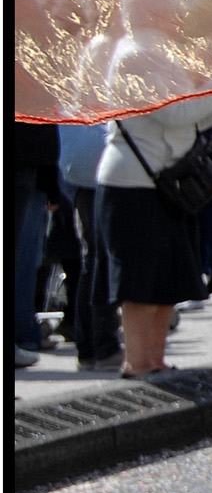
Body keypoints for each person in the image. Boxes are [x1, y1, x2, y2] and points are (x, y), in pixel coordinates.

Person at [95, 0, 212, 376]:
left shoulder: (157, 51)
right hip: (135, 184)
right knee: (140, 282)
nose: (182, 16)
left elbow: (193, 120)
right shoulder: (137, 55)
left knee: (168, 279)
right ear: (154, 13)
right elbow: (173, 112)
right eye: (176, 8)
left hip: (160, 184)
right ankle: (137, 363)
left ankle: (154, 360)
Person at [58, 121, 122, 368]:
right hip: (98, 164)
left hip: (77, 166)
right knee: (102, 257)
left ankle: (89, 347)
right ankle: (102, 346)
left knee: (94, 258)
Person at [11, 122, 63, 367]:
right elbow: (42, 128)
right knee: (22, 260)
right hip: (24, 163)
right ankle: (23, 332)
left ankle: (25, 331)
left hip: (26, 164)